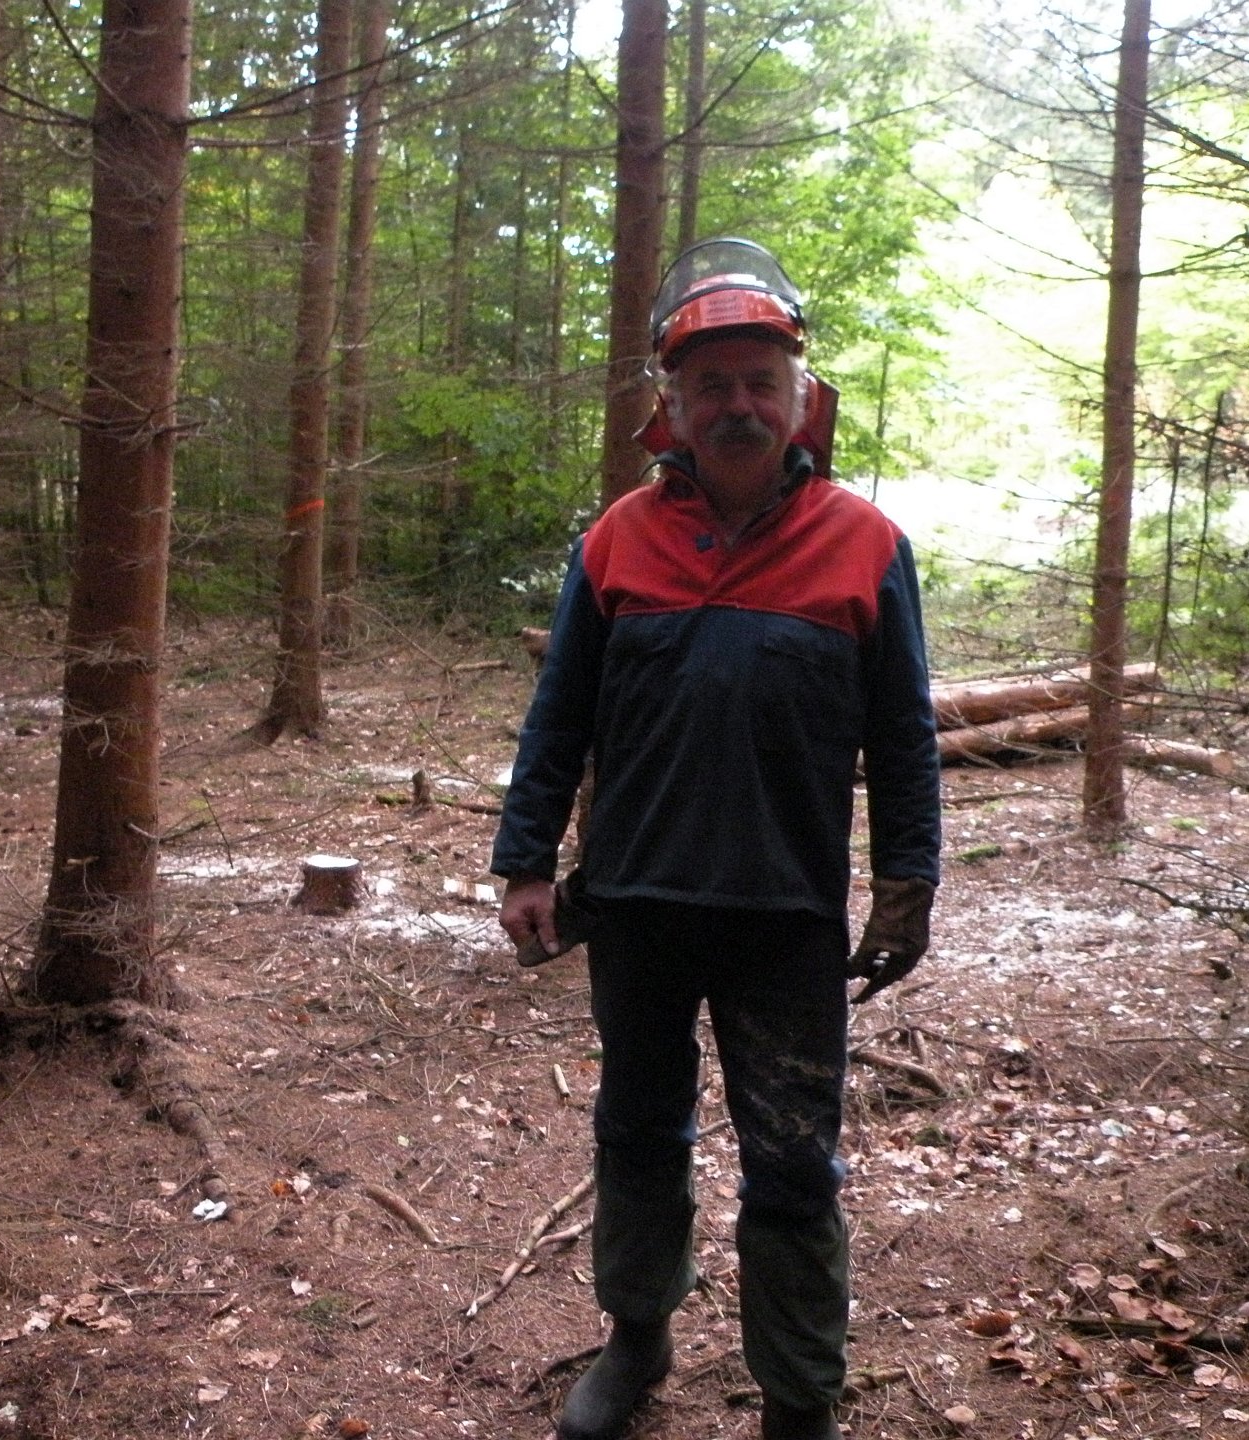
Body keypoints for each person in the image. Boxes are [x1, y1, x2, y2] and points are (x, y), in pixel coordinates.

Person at [491, 238, 941, 1440]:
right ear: (674, 408)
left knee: (793, 1164)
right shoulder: (615, 541)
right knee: (638, 1132)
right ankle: (637, 1337)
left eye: (759, 382)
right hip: (635, 904)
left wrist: (908, 880)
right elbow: (560, 716)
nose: (737, 405)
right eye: (712, 386)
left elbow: (904, 734)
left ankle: (798, 1397)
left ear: (800, 399)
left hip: (786, 918)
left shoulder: (867, 544)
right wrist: (525, 860)